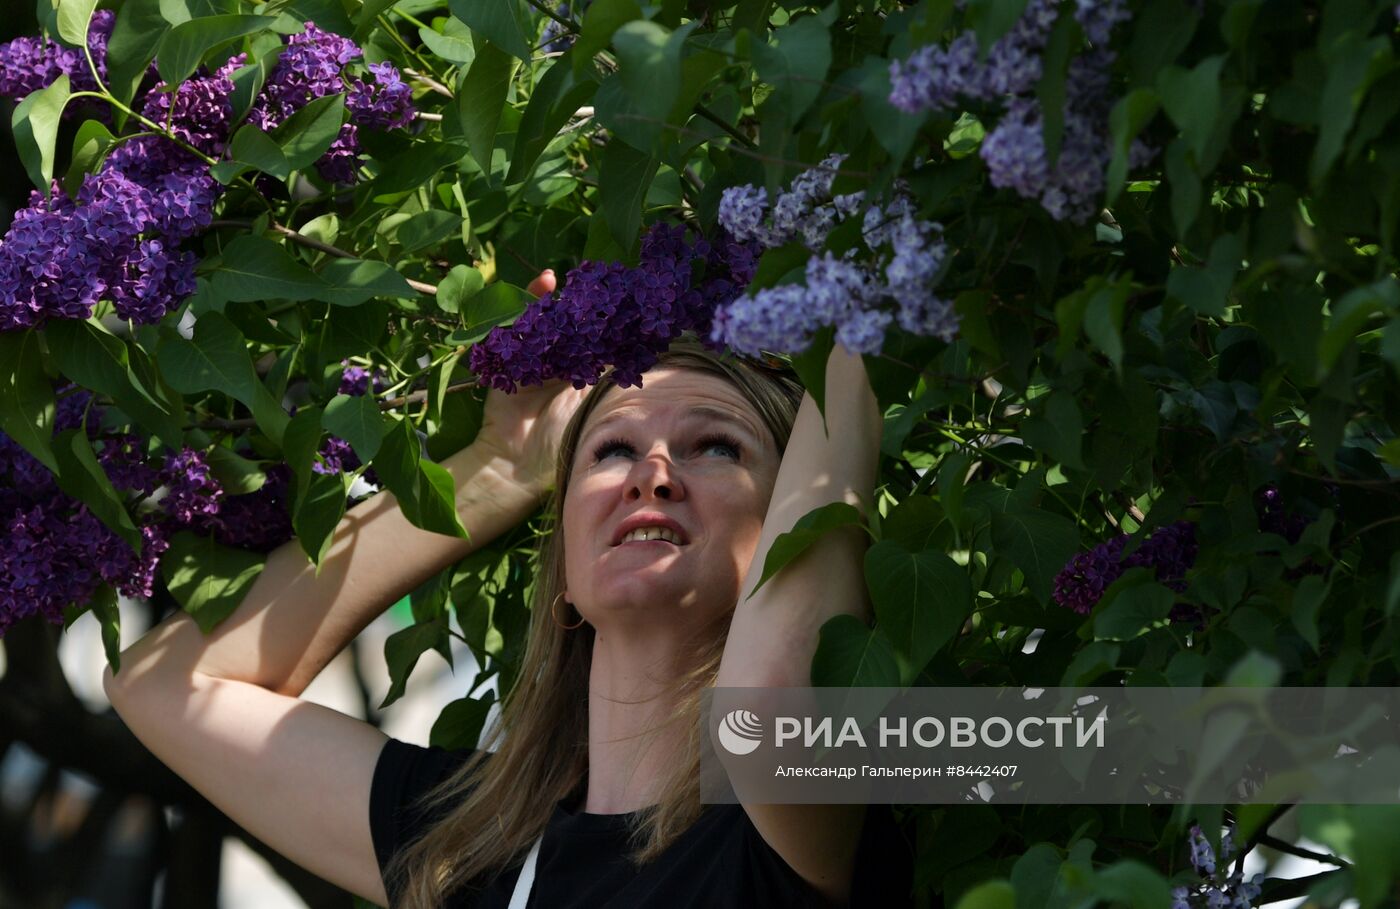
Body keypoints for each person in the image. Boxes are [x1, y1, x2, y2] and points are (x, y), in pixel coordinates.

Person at [104, 281, 914, 907]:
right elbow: (169, 685)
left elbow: (770, 698)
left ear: (786, 524)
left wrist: (854, 290)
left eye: (715, 446)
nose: (652, 475)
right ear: (561, 571)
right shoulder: (472, 848)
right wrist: (499, 469)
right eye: (611, 451)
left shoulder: (804, 806)